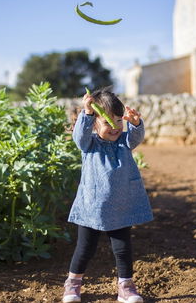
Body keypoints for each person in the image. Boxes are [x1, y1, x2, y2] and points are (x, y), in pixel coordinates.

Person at [62, 88, 153, 303]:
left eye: (118, 121)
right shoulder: (89, 144)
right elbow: (79, 135)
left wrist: (135, 123)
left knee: (122, 250)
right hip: (91, 206)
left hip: (121, 206)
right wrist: (87, 113)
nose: (115, 127)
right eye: (107, 122)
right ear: (94, 124)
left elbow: (136, 137)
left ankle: (126, 287)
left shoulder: (124, 142)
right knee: (85, 249)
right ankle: (73, 285)